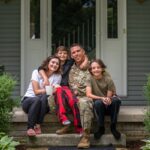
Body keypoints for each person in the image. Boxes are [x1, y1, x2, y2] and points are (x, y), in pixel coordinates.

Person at [39, 46, 88, 134]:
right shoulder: (54, 64)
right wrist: (45, 78)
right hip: (56, 88)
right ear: (56, 54)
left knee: (73, 101)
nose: (62, 55)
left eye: (65, 53)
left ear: (68, 55)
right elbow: (40, 68)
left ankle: (78, 126)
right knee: (59, 92)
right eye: (60, 53)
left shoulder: (69, 62)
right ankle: (63, 118)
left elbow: (80, 57)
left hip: (66, 88)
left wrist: (85, 61)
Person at [21, 56, 61, 136]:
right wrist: (49, 89)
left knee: (43, 97)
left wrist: (50, 91)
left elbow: (50, 94)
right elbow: (36, 92)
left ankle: (38, 124)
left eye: (57, 63)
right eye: (53, 62)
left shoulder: (58, 76)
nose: (55, 65)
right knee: (37, 99)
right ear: (47, 63)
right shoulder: (36, 72)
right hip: (29, 101)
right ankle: (30, 127)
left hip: (44, 103)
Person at [86, 59, 121, 140]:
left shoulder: (108, 79)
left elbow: (109, 96)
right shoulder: (89, 79)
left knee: (116, 101)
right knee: (98, 103)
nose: (96, 69)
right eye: (93, 68)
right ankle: (101, 128)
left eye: (98, 67)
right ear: (91, 70)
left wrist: (108, 99)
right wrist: (102, 98)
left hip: (110, 104)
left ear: (102, 68)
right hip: (99, 105)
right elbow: (88, 94)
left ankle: (113, 127)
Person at [68, 43, 93, 149]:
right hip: (76, 96)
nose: (76, 54)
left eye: (78, 51)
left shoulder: (93, 66)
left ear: (83, 52)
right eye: (73, 52)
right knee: (52, 99)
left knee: (83, 103)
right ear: (71, 56)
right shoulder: (72, 69)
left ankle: (85, 136)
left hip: (89, 96)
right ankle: (66, 125)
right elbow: (72, 86)